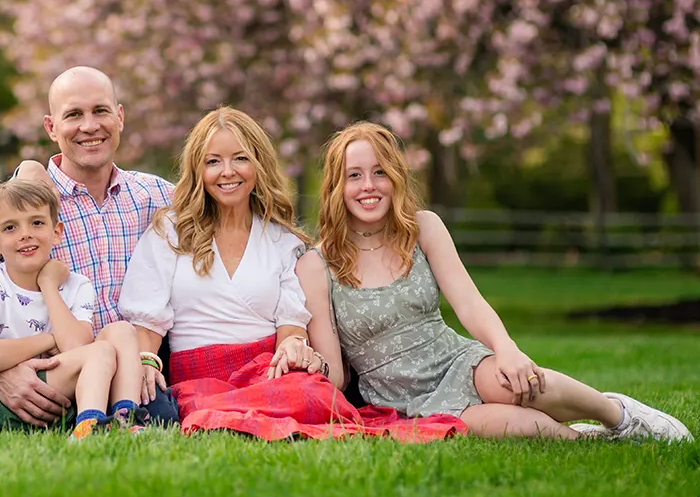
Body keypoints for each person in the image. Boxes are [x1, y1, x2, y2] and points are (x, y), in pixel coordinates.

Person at [296, 121, 694, 441]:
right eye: (355, 175)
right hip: (401, 400)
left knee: (517, 383)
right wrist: (307, 358)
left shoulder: (423, 229)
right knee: (525, 428)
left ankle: (620, 414)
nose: (369, 185)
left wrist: (507, 348)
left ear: (396, 177)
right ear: (336, 187)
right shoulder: (318, 264)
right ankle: (585, 438)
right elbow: (337, 375)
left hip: (452, 360)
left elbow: (469, 303)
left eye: (380, 172)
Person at [118, 107, 463, 441]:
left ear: (258, 164)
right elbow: (148, 318)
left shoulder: (282, 240)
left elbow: (291, 327)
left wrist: (293, 349)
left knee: (315, 396)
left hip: (266, 374)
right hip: (198, 375)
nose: (228, 171)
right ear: (198, 169)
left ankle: (230, 417)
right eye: (213, 161)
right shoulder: (170, 230)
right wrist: (147, 360)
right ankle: (225, 413)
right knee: (183, 402)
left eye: (240, 158)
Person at [0, 66, 176, 428]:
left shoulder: (157, 198)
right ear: (51, 127)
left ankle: (122, 416)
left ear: (119, 117)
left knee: (164, 419)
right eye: (73, 114)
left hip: (130, 372)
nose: (89, 126)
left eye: (100, 111)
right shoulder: (22, 209)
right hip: (56, 376)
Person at [0, 178, 147, 438]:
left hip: (65, 392)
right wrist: (48, 339)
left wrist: (48, 285)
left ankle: (127, 419)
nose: (25, 234)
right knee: (100, 351)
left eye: (36, 223)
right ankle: (87, 430)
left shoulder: (77, 285)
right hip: (8, 404)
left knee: (122, 331)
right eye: (10, 227)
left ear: (56, 231)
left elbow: (77, 349)